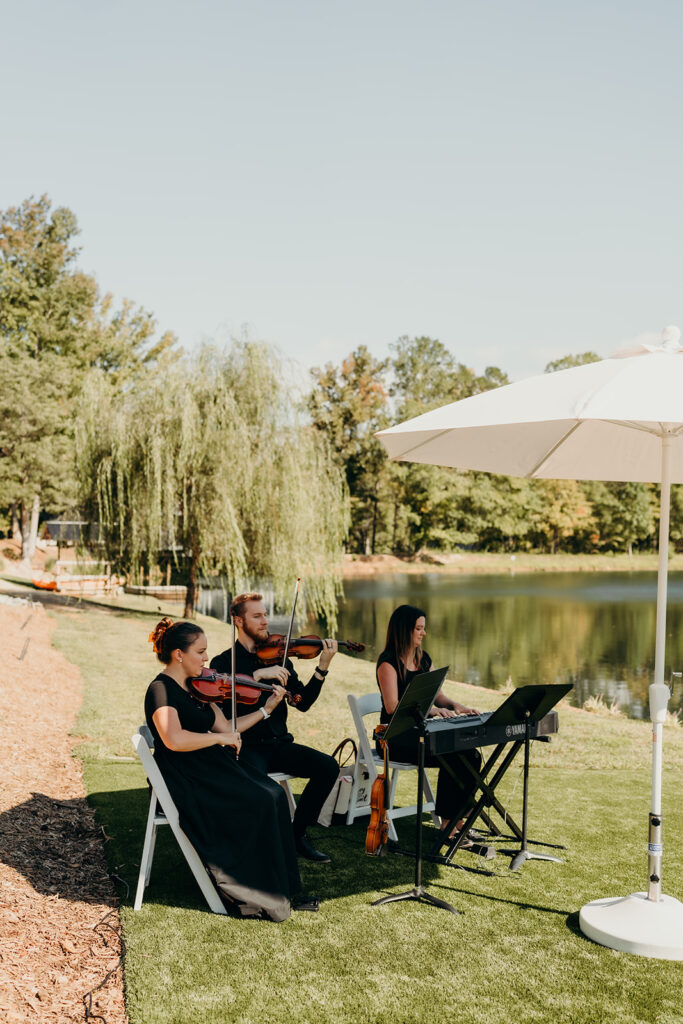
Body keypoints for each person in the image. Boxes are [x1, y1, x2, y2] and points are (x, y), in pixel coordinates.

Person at [145, 616, 304, 921]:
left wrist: (265, 709)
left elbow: (229, 727)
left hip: (210, 765)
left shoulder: (198, 688)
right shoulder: (160, 690)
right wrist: (217, 738)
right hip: (187, 776)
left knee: (273, 793)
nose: (207, 658)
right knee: (258, 800)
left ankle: (282, 886)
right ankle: (255, 893)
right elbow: (174, 739)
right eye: (201, 652)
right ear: (179, 655)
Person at [210, 593, 340, 863]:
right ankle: (258, 846)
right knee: (265, 792)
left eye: (265, 614)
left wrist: (322, 668)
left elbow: (301, 703)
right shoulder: (223, 662)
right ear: (238, 621)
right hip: (245, 747)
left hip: (278, 744)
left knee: (328, 767)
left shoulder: (281, 658)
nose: (265, 621)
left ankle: (297, 835)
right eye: (256, 616)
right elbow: (221, 707)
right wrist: (257, 677)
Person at [376, 604, 482, 843]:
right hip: (394, 736)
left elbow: (438, 695)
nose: (423, 633)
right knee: (452, 755)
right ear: (405, 630)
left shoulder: (423, 660)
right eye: (418, 628)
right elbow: (393, 707)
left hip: (419, 731)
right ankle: (447, 825)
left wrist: (457, 706)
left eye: (423, 628)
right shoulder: (388, 663)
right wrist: (432, 711)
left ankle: (459, 819)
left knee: (472, 755)